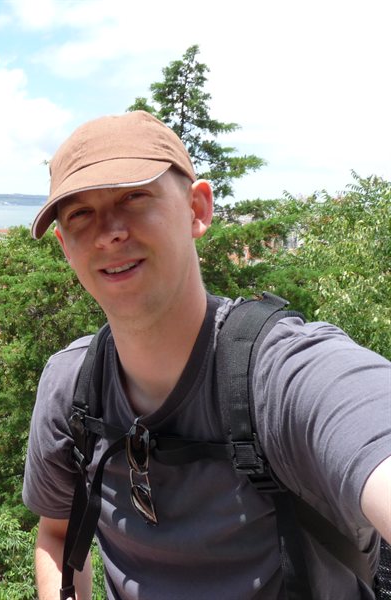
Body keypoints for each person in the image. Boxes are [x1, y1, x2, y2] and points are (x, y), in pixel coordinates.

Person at [22, 111, 391, 599]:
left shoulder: (283, 376)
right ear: (65, 246)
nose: (109, 231)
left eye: (134, 197)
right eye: (80, 214)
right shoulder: (71, 388)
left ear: (197, 209)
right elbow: (56, 532)